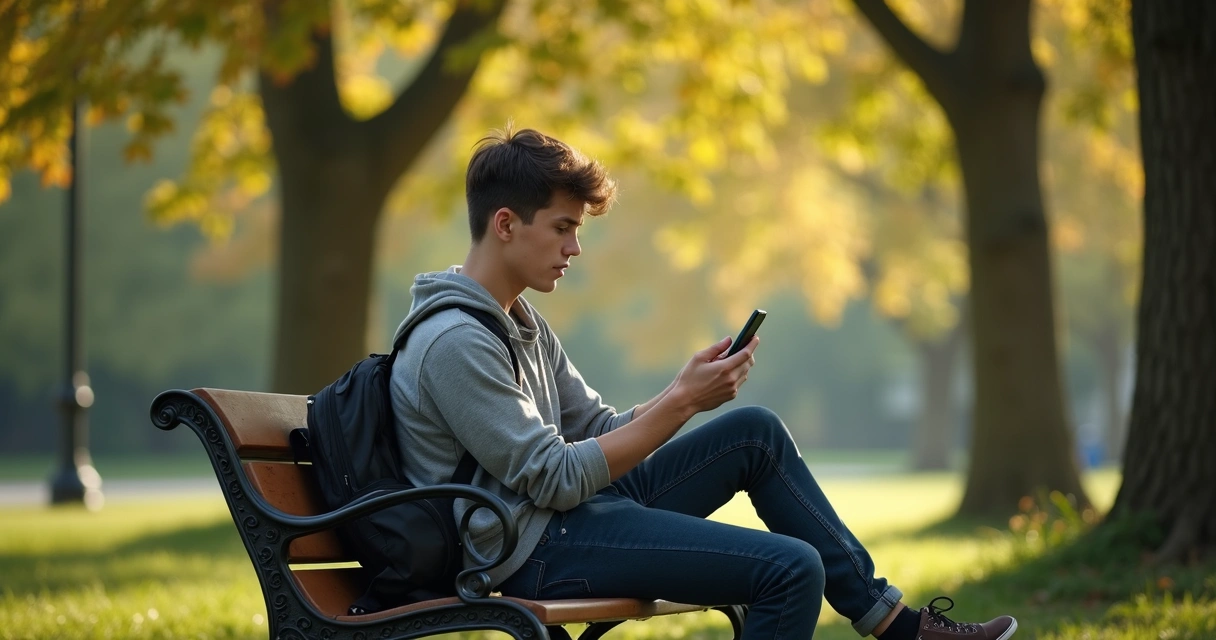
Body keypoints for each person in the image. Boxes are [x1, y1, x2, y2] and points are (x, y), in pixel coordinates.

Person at [388, 126, 1017, 640]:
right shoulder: (455, 342)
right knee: (791, 570)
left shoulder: (520, 321)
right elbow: (553, 474)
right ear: (505, 224)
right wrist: (683, 403)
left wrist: (682, 393)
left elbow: (599, 432)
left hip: (569, 516)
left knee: (755, 434)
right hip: (531, 551)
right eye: (562, 227)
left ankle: (894, 624)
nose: (575, 247)